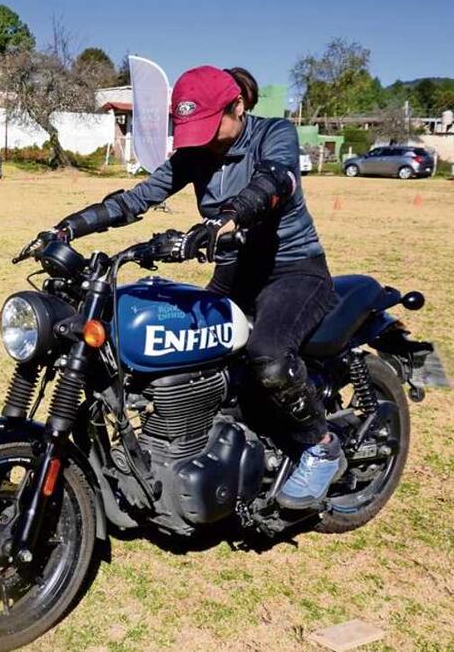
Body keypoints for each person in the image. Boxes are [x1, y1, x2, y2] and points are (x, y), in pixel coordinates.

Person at [48, 65, 343, 510]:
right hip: (235, 273)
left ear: (238, 107)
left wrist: (230, 216)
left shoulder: (273, 134)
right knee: (200, 357)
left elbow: (277, 180)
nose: (201, 139)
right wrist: (68, 227)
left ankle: (321, 446)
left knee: (267, 356)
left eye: (209, 126)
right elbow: (136, 199)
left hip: (292, 269)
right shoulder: (196, 153)